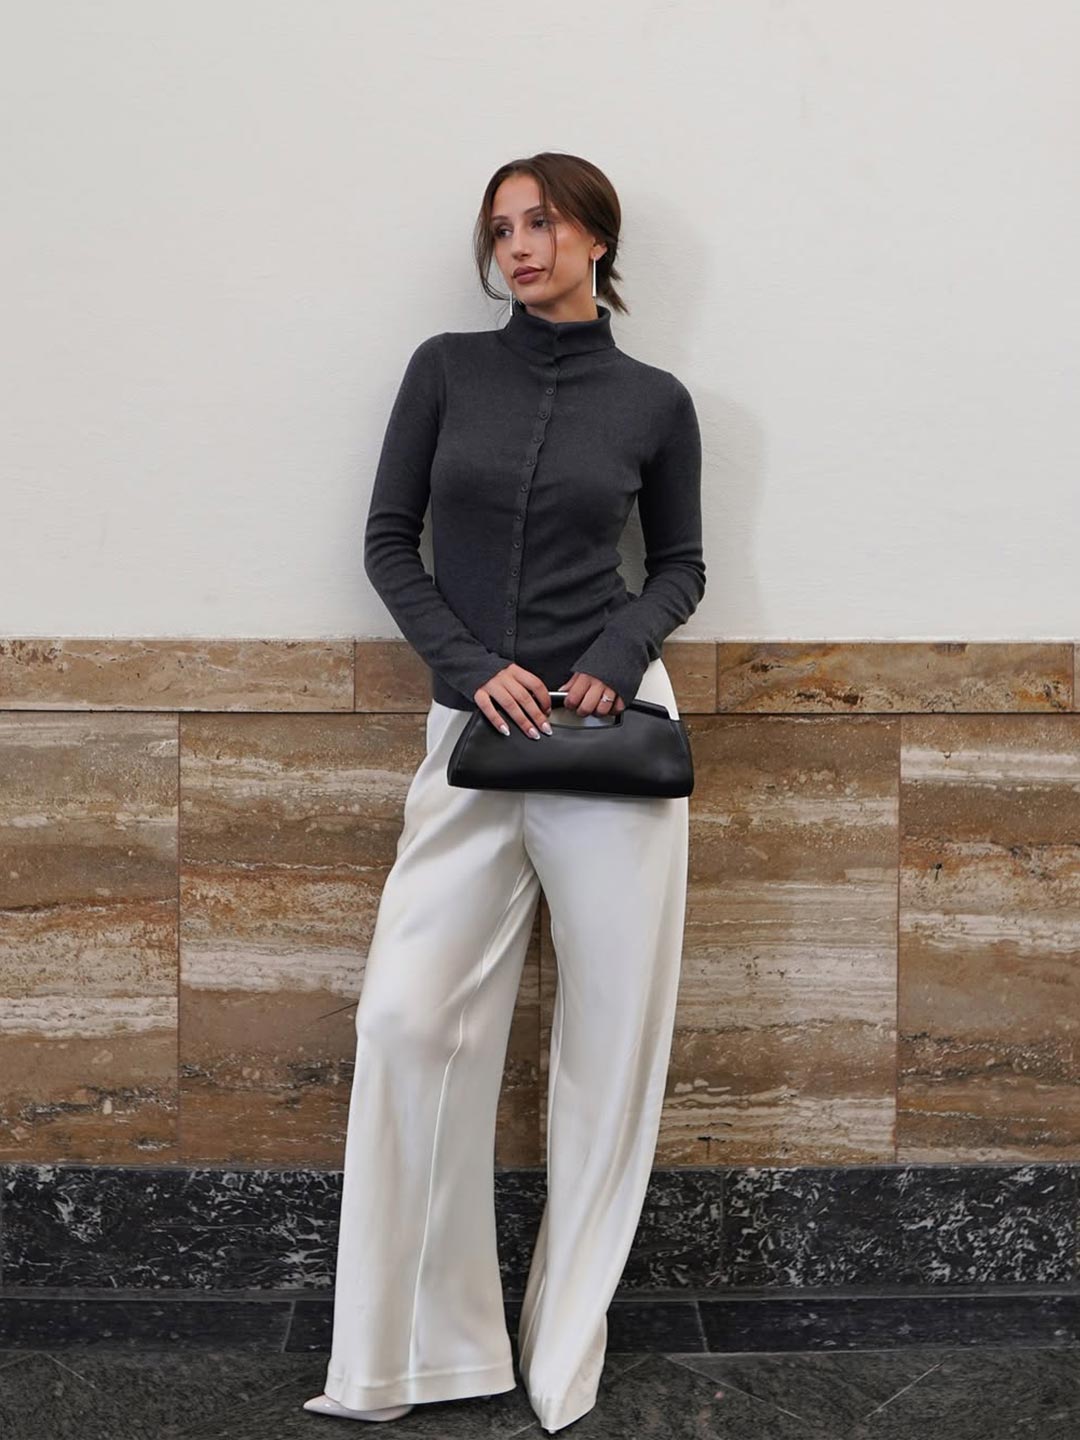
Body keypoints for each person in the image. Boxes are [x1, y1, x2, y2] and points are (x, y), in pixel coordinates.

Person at [303, 151, 705, 1434]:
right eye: (500, 230)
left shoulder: (655, 401)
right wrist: (473, 669)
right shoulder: (444, 371)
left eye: (541, 223)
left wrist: (616, 654)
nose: (518, 247)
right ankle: (420, 1358)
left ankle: (563, 1356)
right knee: (405, 1020)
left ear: (595, 237)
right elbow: (388, 541)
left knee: (609, 1049)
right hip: (472, 733)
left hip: (610, 738)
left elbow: (681, 564)